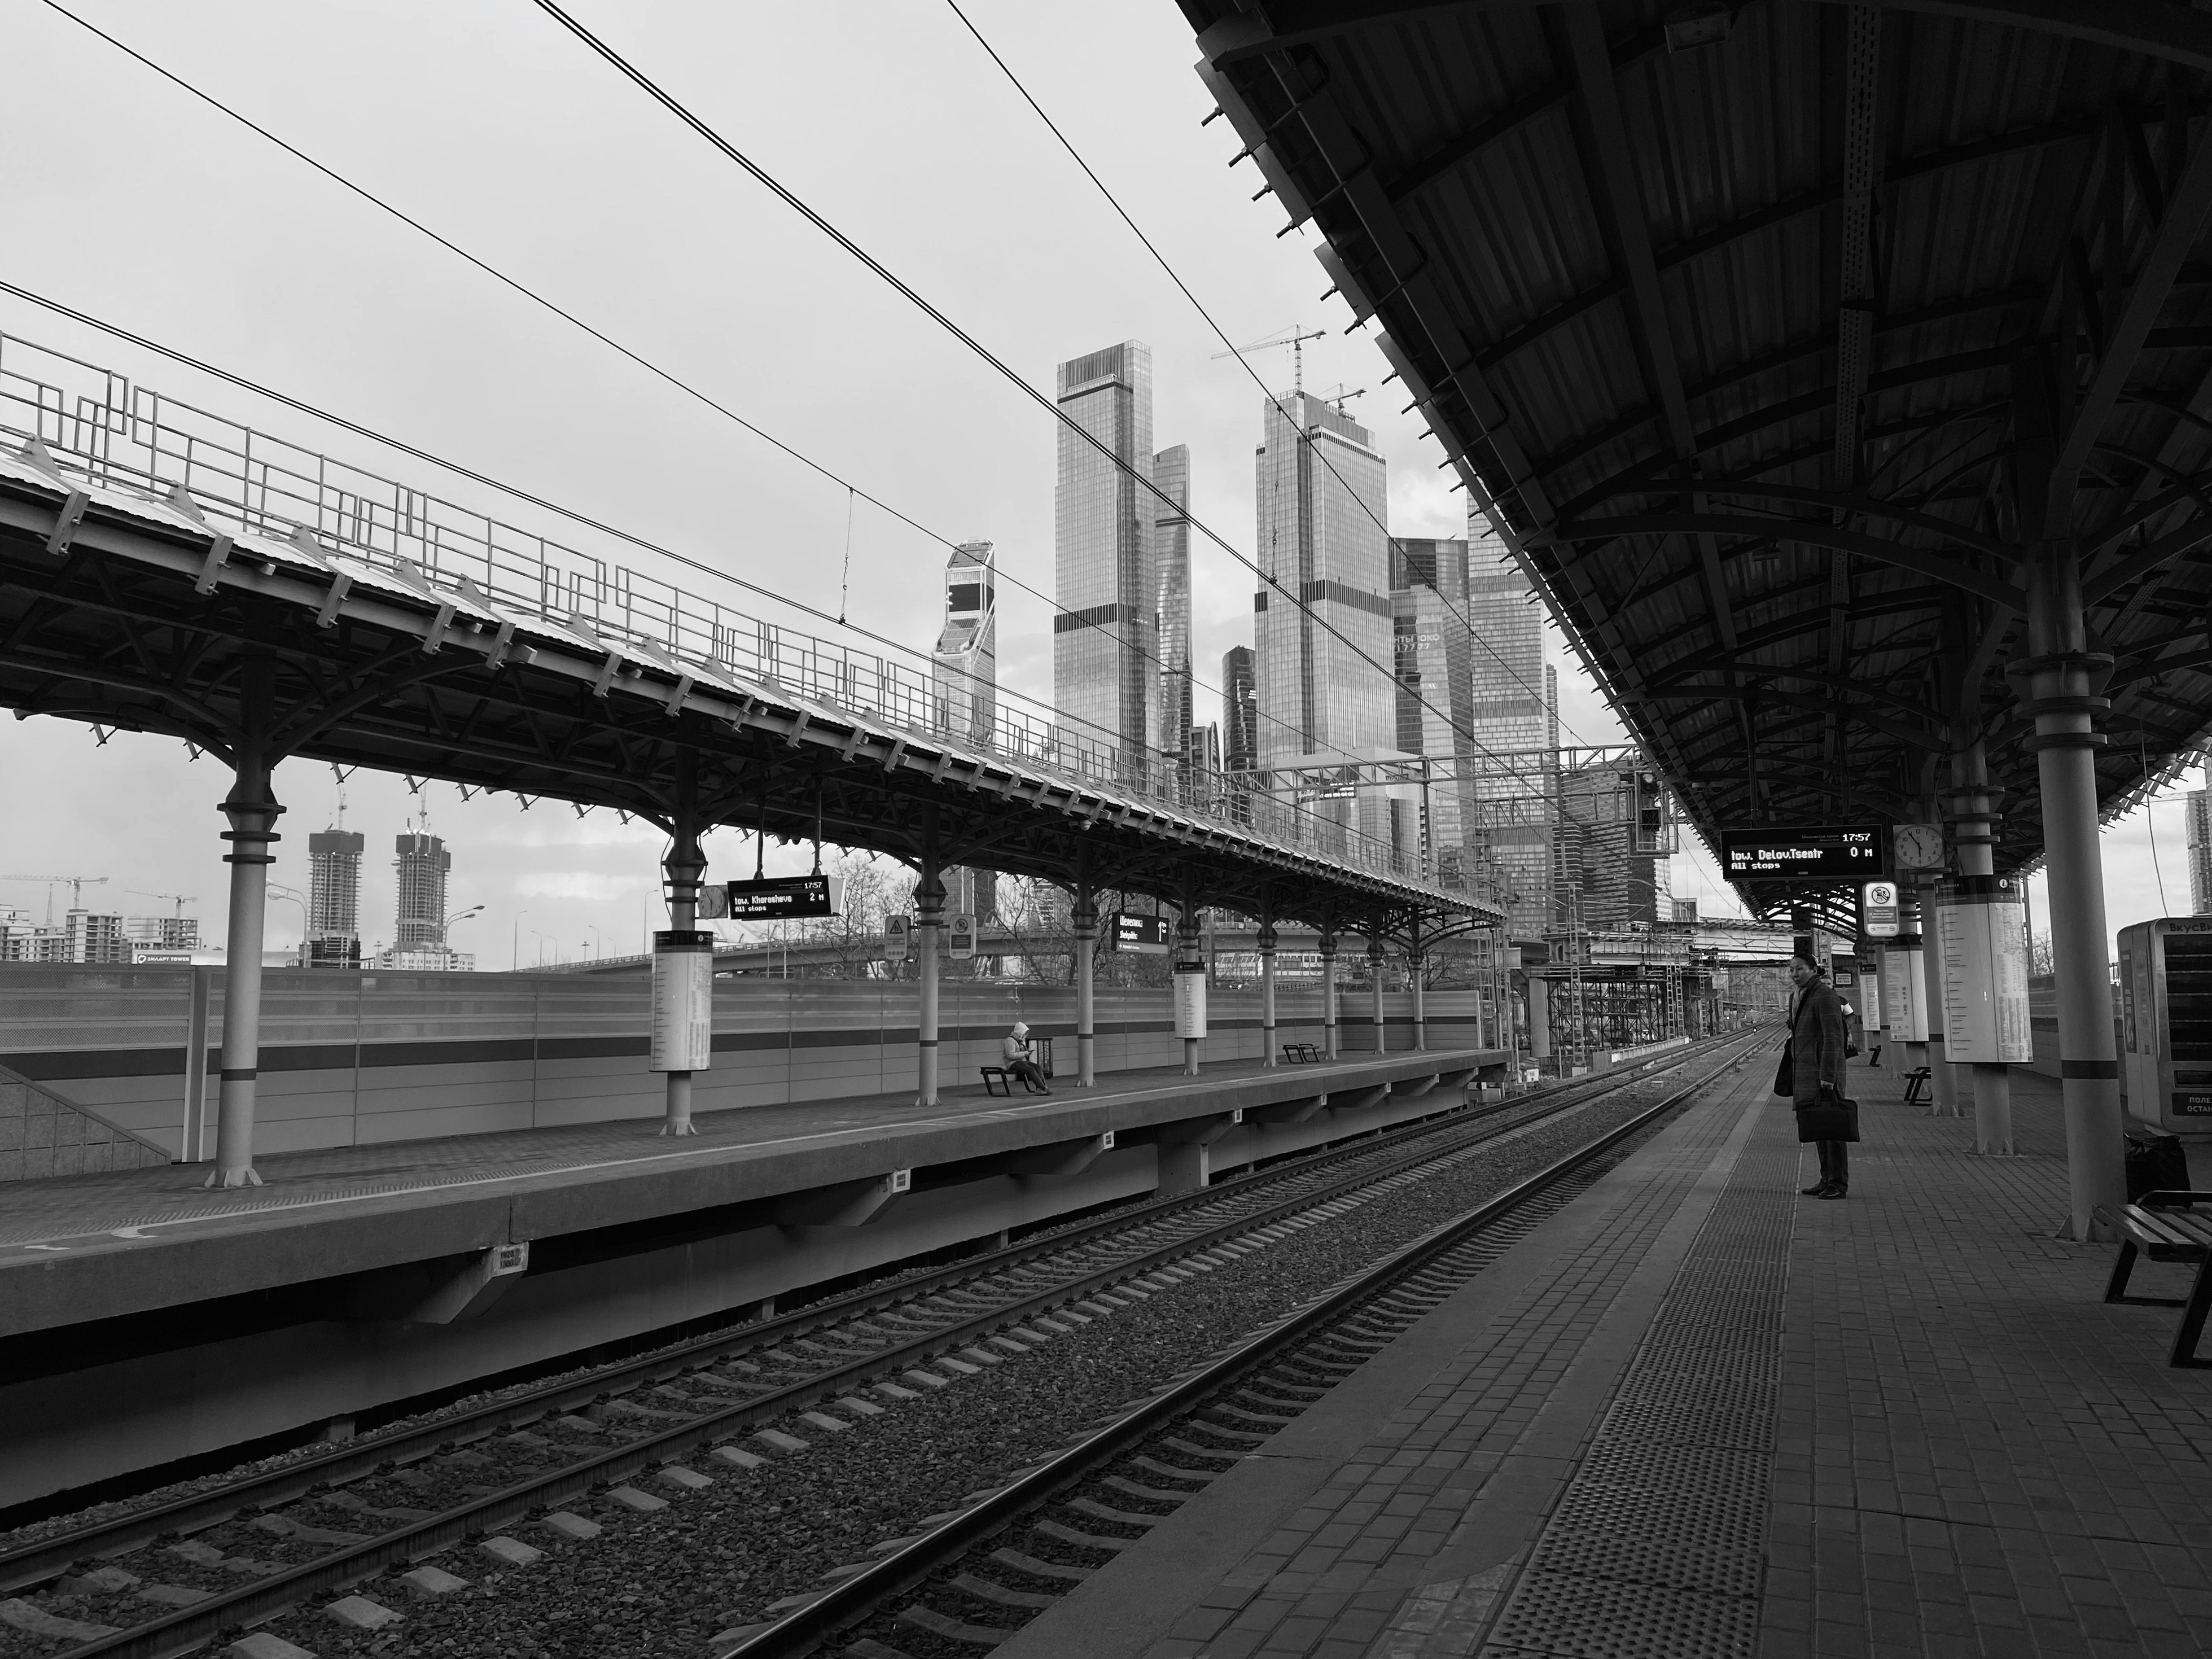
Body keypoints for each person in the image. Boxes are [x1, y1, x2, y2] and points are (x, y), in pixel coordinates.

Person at [1782, 954, 1851, 1198]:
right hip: (1806, 1070)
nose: (1795, 974)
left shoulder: (1825, 996)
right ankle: (1826, 1179)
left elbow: (1834, 1038)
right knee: (1819, 1127)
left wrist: (1828, 1076)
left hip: (1822, 1073)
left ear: (1813, 970)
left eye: (1800, 969)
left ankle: (1838, 1184)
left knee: (1833, 1130)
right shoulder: (1797, 997)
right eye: (1791, 970)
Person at [1002, 1021, 1050, 1095]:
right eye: (1024, 1033)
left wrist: (1026, 1050)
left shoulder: (1021, 1041)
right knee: (1031, 1070)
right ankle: (1044, 1088)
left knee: (1038, 1067)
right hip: (1012, 1063)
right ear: (1019, 1032)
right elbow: (1010, 1055)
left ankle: (1039, 1089)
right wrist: (1025, 1053)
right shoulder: (1010, 1040)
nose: (1025, 1035)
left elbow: (1022, 1053)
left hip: (1022, 1061)